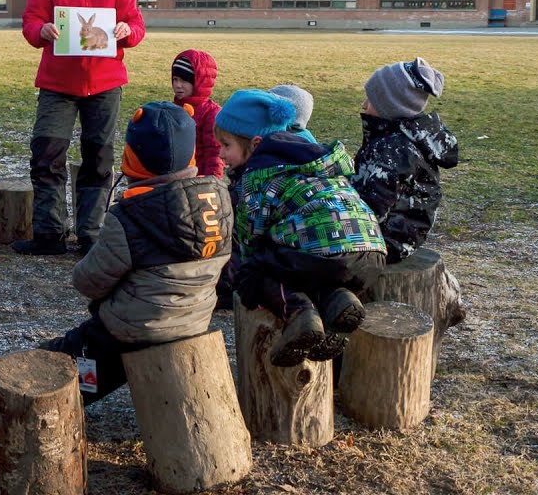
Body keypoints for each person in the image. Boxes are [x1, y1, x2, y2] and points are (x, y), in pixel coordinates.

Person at [40, 101, 232, 404]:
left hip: (135, 330)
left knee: (62, 361)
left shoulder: (130, 217)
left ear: (132, 158)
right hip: (195, 319)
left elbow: (88, 281)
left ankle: (54, 402)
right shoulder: (220, 199)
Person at [215, 89, 387, 366]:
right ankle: (337, 299)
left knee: (254, 272)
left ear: (255, 143)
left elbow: (250, 238)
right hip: (371, 252)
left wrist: (248, 283)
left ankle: (298, 311)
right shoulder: (309, 156)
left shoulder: (257, 176)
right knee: (306, 263)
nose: (221, 154)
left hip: (324, 252)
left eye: (226, 146)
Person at [14, 0, 147, 256]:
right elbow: (31, 19)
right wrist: (40, 30)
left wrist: (125, 30)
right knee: (47, 156)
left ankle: (91, 235)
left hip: (104, 85)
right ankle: (49, 234)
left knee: (98, 161)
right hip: (57, 83)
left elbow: (137, 25)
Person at [353, 58, 460, 263]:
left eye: (371, 99)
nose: (364, 105)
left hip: (384, 241)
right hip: (407, 235)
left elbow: (369, 209)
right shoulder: (411, 138)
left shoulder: (391, 150)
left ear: (389, 106)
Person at [171, 50, 224, 177]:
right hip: (174, 180)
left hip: (199, 183)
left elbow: (214, 153)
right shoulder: (172, 109)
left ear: (199, 81)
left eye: (184, 81)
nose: (178, 85)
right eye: (175, 79)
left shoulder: (211, 113)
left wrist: (211, 182)